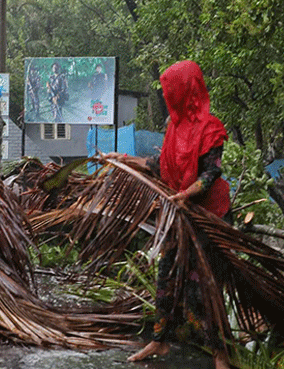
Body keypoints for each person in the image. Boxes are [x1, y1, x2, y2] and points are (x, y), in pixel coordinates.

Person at [105, 60, 230, 369]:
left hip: (208, 217)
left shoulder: (210, 127)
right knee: (167, 278)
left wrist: (187, 194)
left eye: (170, 89)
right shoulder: (174, 128)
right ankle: (159, 342)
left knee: (206, 286)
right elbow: (160, 167)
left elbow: (211, 173)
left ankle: (221, 355)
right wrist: (122, 158)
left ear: (185, 90)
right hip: (180, 213)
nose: (165, 95)